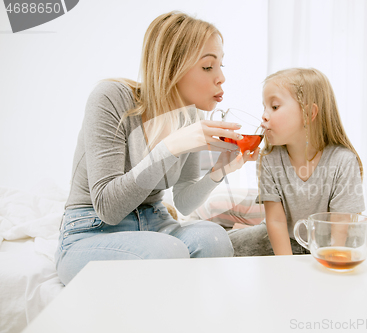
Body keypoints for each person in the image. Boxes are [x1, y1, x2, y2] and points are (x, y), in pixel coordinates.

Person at [55, 11, 260, 285]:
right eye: (208, 67)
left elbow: (184, 201)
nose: (221, 78)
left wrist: (218, 172)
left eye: (221, 65)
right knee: (167, 251)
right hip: (92, 229)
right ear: (172, 67)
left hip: (155, 222)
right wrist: (170, 147)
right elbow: (108, 208)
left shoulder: (191, 117)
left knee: (214, 237)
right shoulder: (111, 98)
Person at [229, 68, 367, 260]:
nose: (264, 116)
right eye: (264, 107)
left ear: (309, 113)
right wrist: (286, 264)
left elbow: (339, 225)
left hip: (335, 239)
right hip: (289, 238)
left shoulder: (343, 160)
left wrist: (328, 262)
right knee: (229, 246)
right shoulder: (268, 158)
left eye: (275, 107)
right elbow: (276, 221)